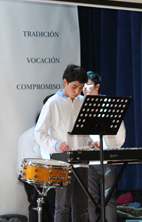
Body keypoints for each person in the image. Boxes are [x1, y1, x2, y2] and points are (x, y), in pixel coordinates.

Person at [35, 64, 99, 222]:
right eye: (74, 87)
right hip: (62, 162)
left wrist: (90, 142)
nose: (77, 92)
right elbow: (39, 132)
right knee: (62, 207)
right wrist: (56, 145)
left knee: (81, 207)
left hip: (81, 161)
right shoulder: (53, 102)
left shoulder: (82, 101)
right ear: (65, 82)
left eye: (81, 88)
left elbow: (84, 132)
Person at [83, 71, 126, 222]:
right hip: (88, 158)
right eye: (83, 84)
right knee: (90, 198)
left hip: (106, 157)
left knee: (109, 198)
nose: (85, 87)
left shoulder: (107, 104)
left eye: (88, 83)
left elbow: (120, 130)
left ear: (97, 86)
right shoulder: (79, 104)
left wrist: (112, 149)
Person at [17, 94, 55, 222]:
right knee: (45, 208)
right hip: (38, 175)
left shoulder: (25, 134)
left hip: (27, 175)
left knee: (35, 206)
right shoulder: (39, 135)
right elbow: (41, 157)